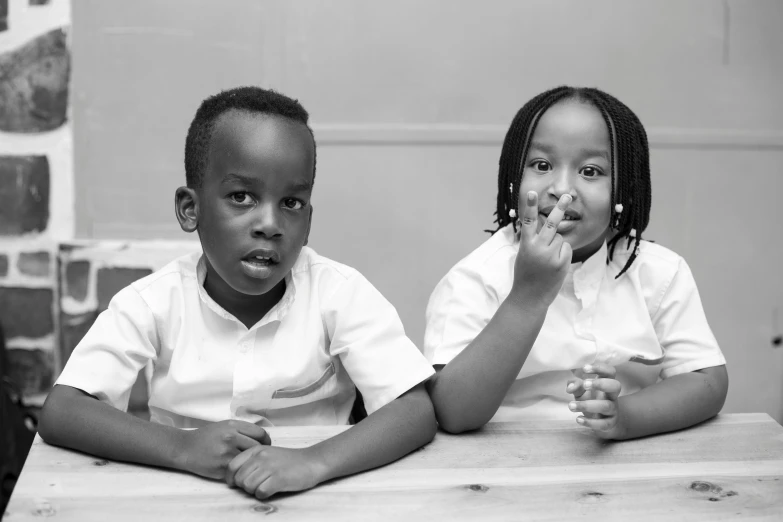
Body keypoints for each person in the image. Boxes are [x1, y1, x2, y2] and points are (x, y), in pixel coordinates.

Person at [38, 87, 436, 499]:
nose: (269, 223)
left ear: (309, 221)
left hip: (319, 496)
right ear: (191, 209)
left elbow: (415, 410)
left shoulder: (340, 293)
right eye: (241, 197)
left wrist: (313, 461)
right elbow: (63, 411)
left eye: (292, 203)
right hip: (184, 495)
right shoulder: (152, 302)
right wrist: (182, 447)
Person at [424, 86, 728, 440]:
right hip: (502, 463)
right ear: (512, 177)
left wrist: (625, 417)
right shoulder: (474, 278)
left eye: (590, 171)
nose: (562, 189)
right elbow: (452, 412)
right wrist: (527, 297)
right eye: (541, 165)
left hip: (622, 462)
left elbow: (707, 381)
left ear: (624, 189)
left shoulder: (660, 272)